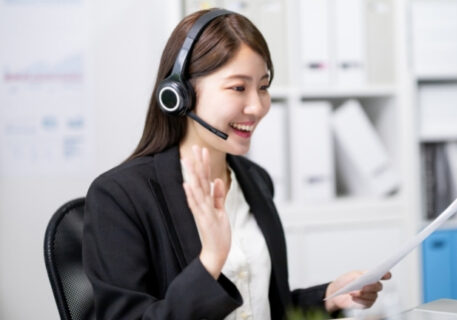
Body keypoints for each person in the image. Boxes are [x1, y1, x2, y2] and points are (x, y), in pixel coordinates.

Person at [82, 8, 391, 320]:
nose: (257, 107)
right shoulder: (119, 197)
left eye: (264, 86)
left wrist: (329, 297)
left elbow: (267, 305)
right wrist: (211, 261)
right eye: (238, 88)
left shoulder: (255, 181)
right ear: (180, 94)